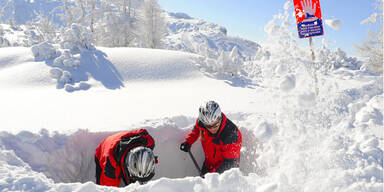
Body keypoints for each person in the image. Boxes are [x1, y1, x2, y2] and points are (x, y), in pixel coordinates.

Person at [180, 101, 242, 176]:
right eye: (208, 126)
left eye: (215, 125)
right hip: (208, 164)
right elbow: (196, 130)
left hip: (225, 173)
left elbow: (231, 163)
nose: (212, 129)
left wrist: (211, 175)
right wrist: (188, 141)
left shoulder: (231, 135)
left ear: (220, 118)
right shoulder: (202, 122)